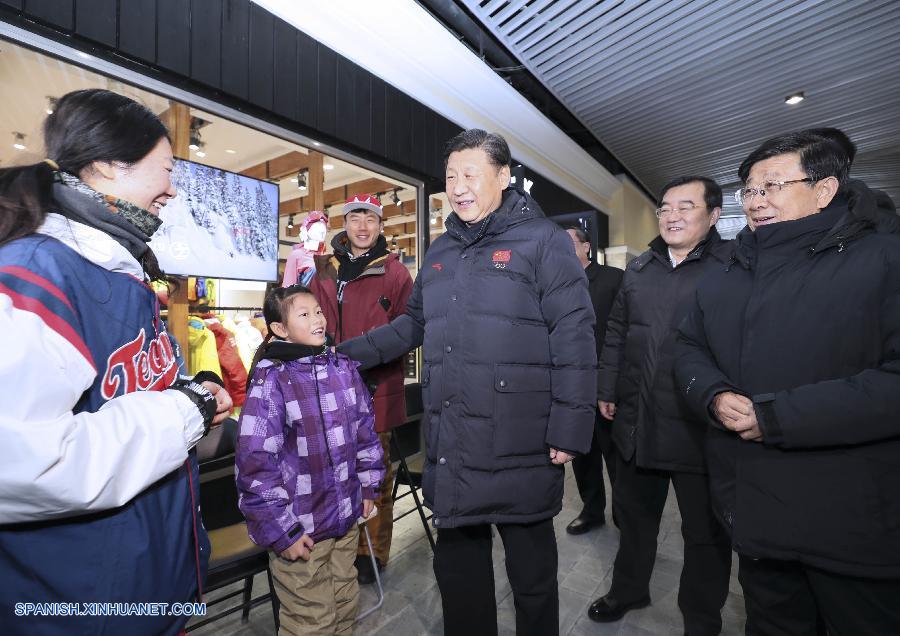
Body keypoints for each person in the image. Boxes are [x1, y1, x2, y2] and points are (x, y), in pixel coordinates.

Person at [339, 129, 597, 636]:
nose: (458, 187)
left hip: (521, 441)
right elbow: (411, 325)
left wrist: (571, 426)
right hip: (455, 440)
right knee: (459, 578)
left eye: (470, 174)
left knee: (532, 578)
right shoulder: (440, 251)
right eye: (451, 176)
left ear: (503, 176)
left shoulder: (543, 240)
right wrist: (340, 354)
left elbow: (574, 333)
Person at [0, 88, 233, 636]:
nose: (172, 189)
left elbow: (119, 399)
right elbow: (21, 463)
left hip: (141, 593)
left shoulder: (121, 274)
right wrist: (184, 411)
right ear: (109, 163)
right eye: (167, 169)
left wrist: (192, 397)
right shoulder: (36, 274)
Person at [675, 131, 900, 635]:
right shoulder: (727, 272)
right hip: (758, 516)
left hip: (854, 524)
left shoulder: (885, 260)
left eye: (772, 186)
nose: (756, 202)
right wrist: (713, 395)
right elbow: (688, 347)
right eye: (750, 191)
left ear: (824, 190)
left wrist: (779, 416)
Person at [589, 176, 733, 633]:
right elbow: (617, 333)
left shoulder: (732, 267)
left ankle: (701, 619)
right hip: (638, 420)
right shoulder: (640, 268)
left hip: (699, 426)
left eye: (685, 207)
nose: (672, 216)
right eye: (665, 208)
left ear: (713, 215)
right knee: (634, 519)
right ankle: (629, 590)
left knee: (704, 534)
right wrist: (606, 388)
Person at [235, 284, 385, 635]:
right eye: (304, 314)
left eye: (318, 311)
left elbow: (364, 430)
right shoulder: (273, 379)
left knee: (345, 605)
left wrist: (368, 486)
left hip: (345, 520)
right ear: (279, 328)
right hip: (301, 530)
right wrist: (282, 531)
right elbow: (255, 464)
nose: (318, 319)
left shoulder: (342, 368)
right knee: (311, 622)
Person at [309, 193, 413, 584]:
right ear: (345, 224)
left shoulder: (395, 273)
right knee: (333, 472)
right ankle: (336, 546)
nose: (363, 226)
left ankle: (372, 552)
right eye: (355, 218)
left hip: (376, 387)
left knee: (375, 475)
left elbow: (408, 331)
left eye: (370, 219)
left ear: (381, 225)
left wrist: (363, 355)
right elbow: (308, 318)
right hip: (329, 388)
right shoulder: (324, 269)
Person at [560, 224, 622, 535]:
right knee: (583, 456)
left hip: (607, 386)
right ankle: (592, 510)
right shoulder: (556, 284)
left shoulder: (614, 279)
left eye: (568, 243)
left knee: (616, 455)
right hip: (573, 388)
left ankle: (624, 514)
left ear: (586, 247)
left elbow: (623, 333)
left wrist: (614, 383)